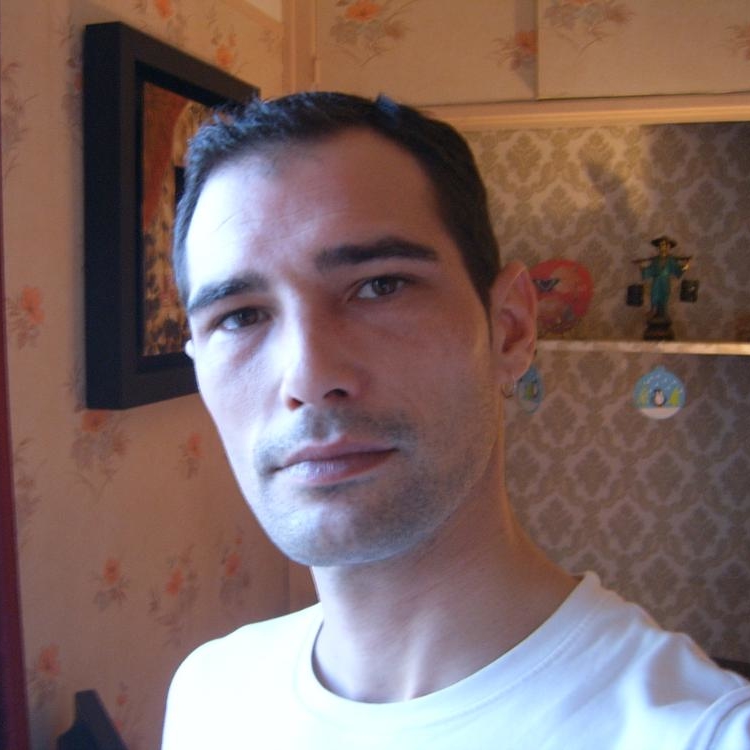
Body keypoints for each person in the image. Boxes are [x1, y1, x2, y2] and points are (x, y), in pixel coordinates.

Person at [161, 92, 750, 749]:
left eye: (380, 286)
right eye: (240, 316)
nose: (307, 377)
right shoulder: (209, 693)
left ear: (510, 329)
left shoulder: (702, 734)